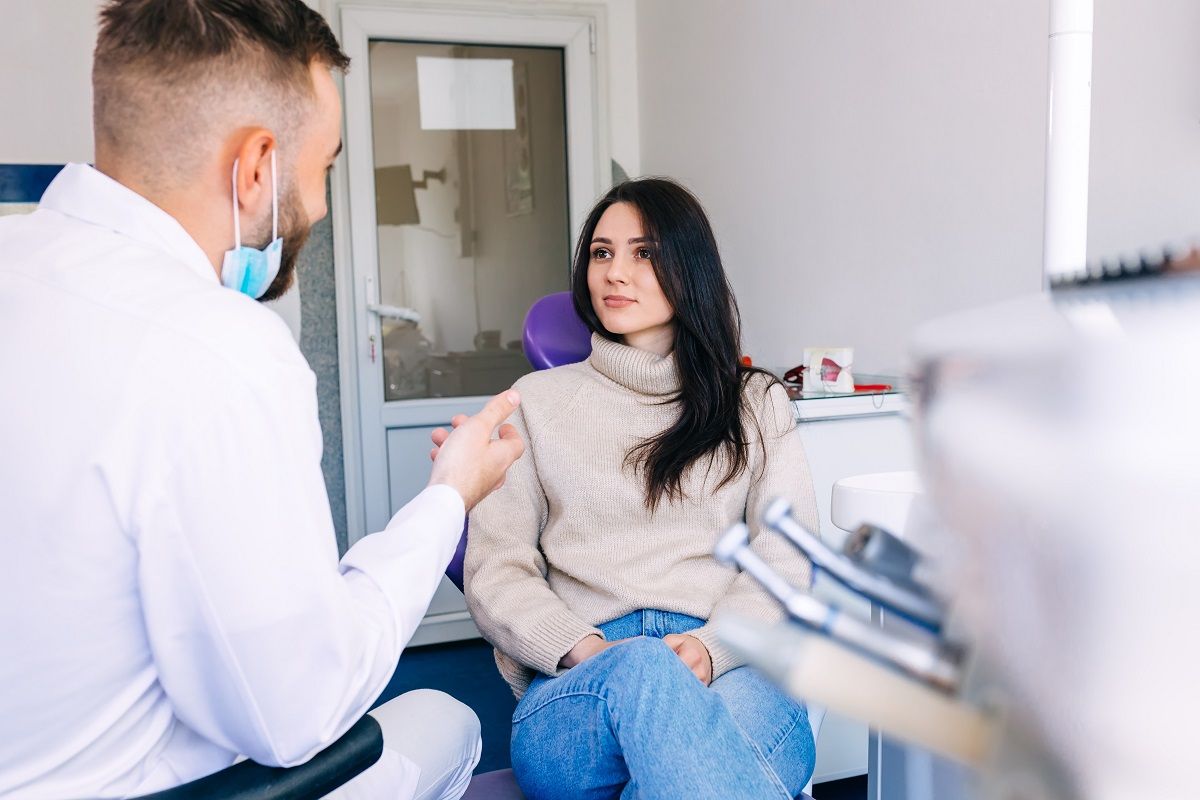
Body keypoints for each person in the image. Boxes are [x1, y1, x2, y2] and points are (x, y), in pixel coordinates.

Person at [0, 2, 523, 798]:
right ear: (255, 166)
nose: (315, 206)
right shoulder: (219, 350)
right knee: (449, 721)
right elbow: (294, 714)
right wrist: (449, 497)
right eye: (325, 168)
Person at [462, 177, 822, 799]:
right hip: (584, 681)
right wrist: (581, 647)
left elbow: (784, 562)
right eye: (601, 253)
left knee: (685, 767)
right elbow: (497, 568)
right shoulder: (536, 405)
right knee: (657, 688)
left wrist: (712, 649)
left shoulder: (755, 403)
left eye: (644, 252)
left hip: (722, 660)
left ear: (689, 267)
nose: (615, 273)